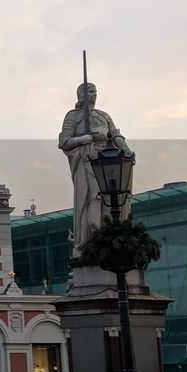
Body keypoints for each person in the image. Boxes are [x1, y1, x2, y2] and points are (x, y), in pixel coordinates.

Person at [58, 82, 135, 254]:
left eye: (95, 91)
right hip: (88, 159)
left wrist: (127, 150)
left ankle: (111, 234)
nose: (94, 94)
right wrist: (86, 138)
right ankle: (95, 236)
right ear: (81, 95)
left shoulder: (104, 115)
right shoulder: (73, 116)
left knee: (113, 198)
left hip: (110, 160)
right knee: (94, 196)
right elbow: (64, 142)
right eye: (90, 91)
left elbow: (116, 136)